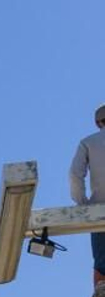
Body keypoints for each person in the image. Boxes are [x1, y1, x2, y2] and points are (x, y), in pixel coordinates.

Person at [69, 103, 105, 287]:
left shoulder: (88, 142)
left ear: (98, 122)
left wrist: (83, 204)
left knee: (102, 265)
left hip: (99, 210)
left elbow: (75, 174)